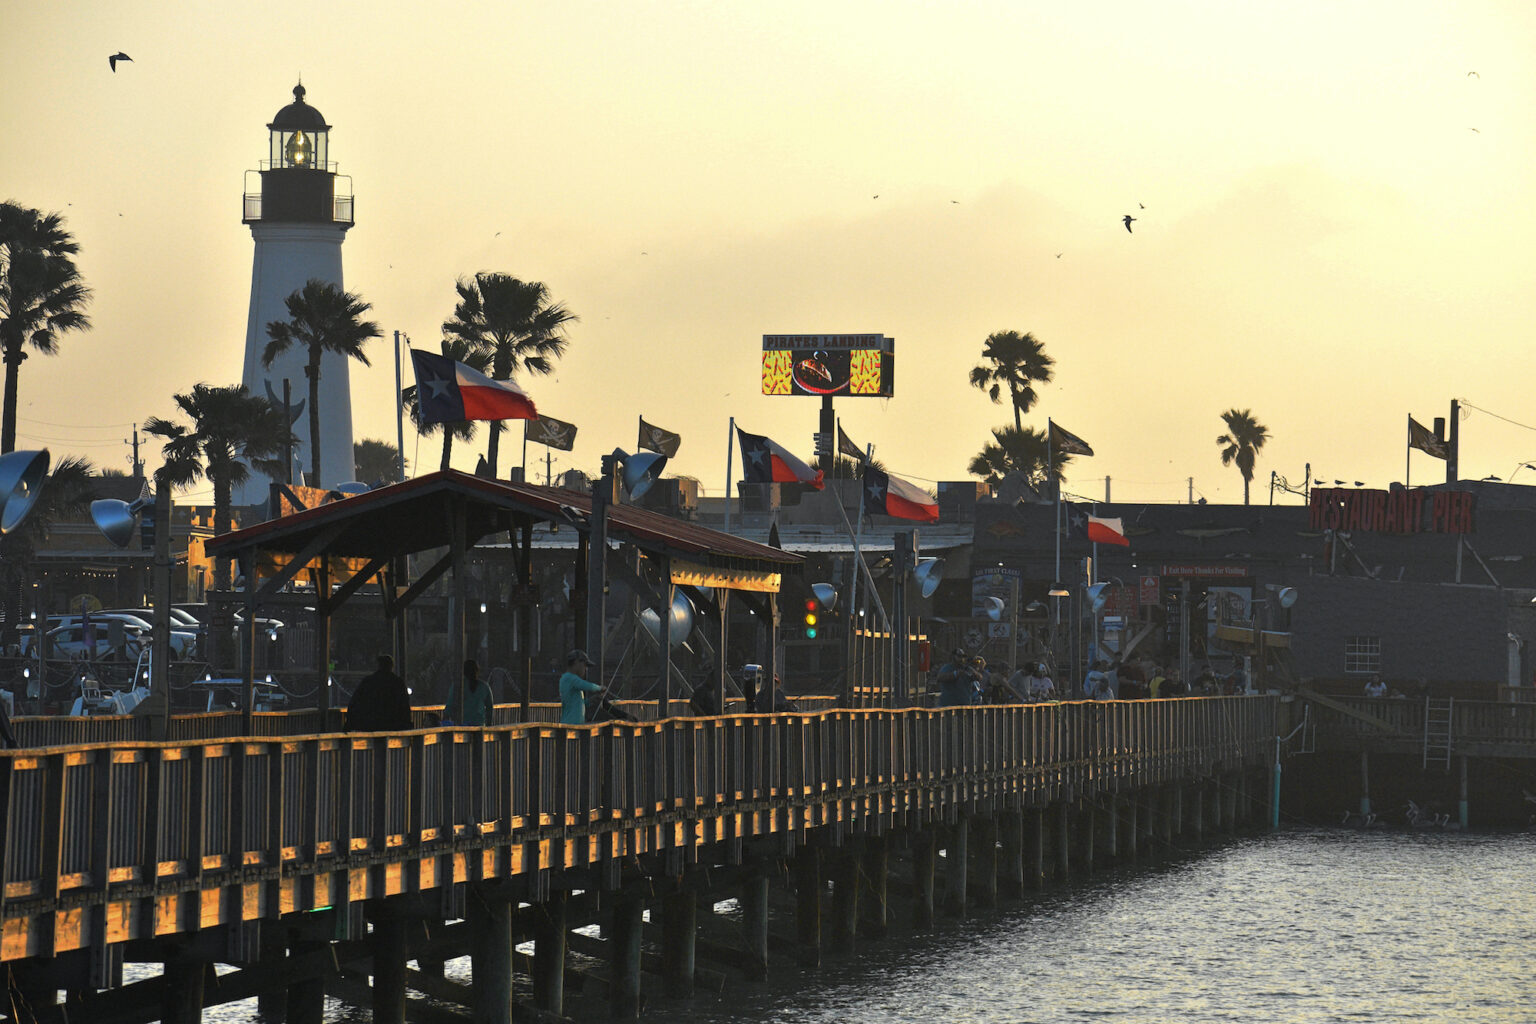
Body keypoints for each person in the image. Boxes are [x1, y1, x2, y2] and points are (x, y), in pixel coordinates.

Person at [346, 653, 414, 732]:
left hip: (370, 725)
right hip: (393, 726)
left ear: (379, 665)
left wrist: (351, 723)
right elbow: (404, 705)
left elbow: (355, 701)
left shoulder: (368, 681)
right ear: (391, 666)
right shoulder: (397, 683)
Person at [559, 649, 603, 724]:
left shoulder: (567, 679)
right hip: (570, 725)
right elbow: (586, 685)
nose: (585, 669)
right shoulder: (570, 678)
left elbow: (576, 703)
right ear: (577, 662)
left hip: (573, 725)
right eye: (585, 665)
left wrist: (590, 700)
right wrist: (599, 688)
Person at [446, 659, 494, 726]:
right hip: (478, 725)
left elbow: (450, 705)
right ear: (477, 671)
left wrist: (445, 721)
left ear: (464, 672)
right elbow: (489, 708)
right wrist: (489, 725)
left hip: (461, 724)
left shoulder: (457, 686)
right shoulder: (484, 687)